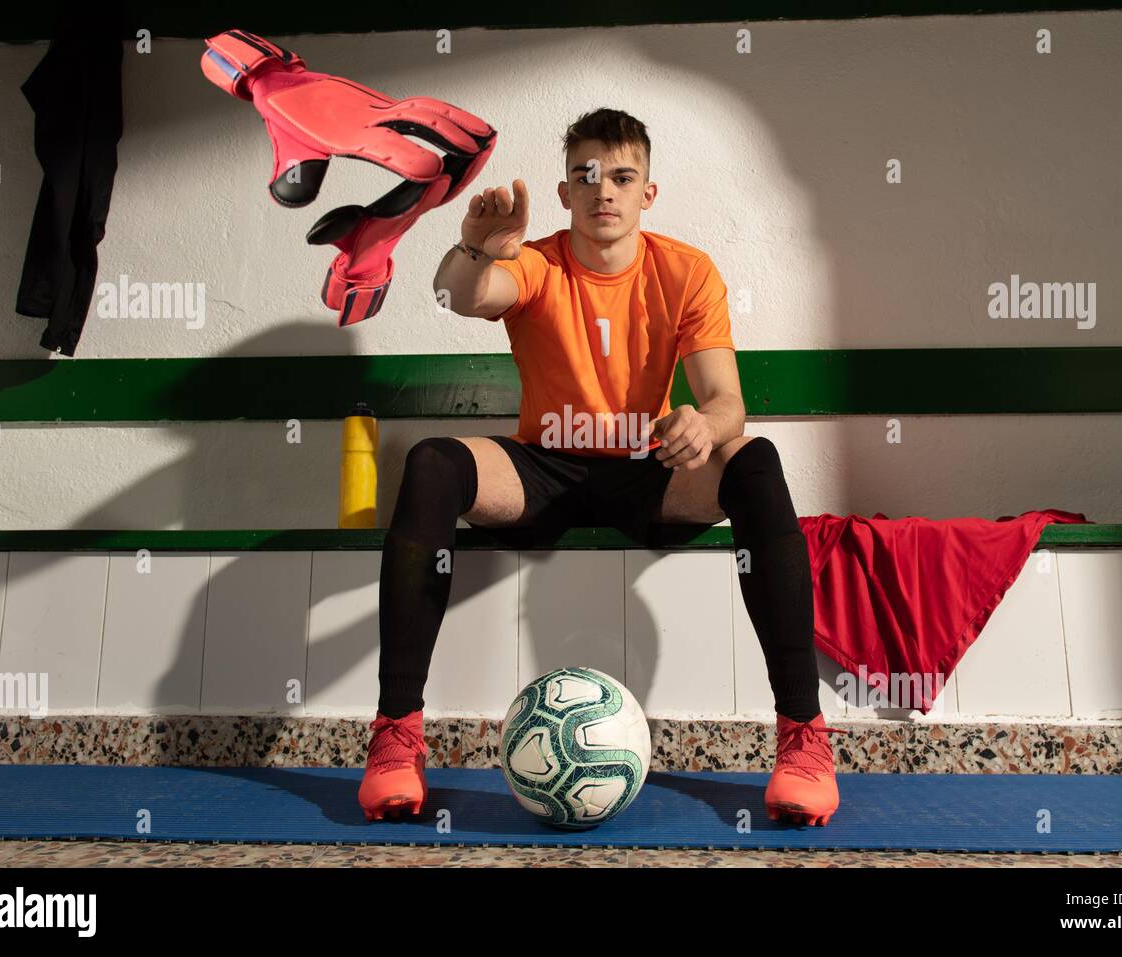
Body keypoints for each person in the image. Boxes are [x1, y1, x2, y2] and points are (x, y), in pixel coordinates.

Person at [360, 108, 843, 827]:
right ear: (564, 193)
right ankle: (396, 737)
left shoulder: (686, 271)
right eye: (585, 176)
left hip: (647, 471)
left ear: (648, 193)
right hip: (542, 472)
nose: (603, 191)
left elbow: (727, 404)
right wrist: (473, 247)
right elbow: (462, 295)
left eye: (621, 176)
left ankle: (804, 739)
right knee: (432, 464)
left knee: (755, 462)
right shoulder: (535, 260)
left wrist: (700, 425)